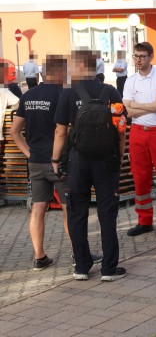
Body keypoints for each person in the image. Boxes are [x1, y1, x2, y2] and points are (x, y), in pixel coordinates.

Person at [10, 55, 101, 270]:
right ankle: (78, 254)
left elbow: (15, 132)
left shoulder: (28, 95)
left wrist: (29, 153)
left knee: (38, 208)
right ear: (61, 73)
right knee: (69, 208)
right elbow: (66, 130)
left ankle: (39, 257)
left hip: (36, 162)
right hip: (60, 161)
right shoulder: (65, 94)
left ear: (42, 72)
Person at [52, 49, 126, 282]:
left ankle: (82, 267)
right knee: (107, 213)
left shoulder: (68, 93)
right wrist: (119, 157)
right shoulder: (111, 91)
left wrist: (55, 160)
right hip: (106, 161)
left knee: (76, 212)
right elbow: (121, 128)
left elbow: (61, 132)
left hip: (78, 161)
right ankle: (109, 269)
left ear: (81, 67)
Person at [122, 42, 156, 236]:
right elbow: (126, 110)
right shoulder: (130, 81)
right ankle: (144, 221)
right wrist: (154, 104)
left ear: (151, 57)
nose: (138, 60)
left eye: (142, 56)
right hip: (137, 132)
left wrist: (138, 106)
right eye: (135, 56)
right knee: (140, 177)